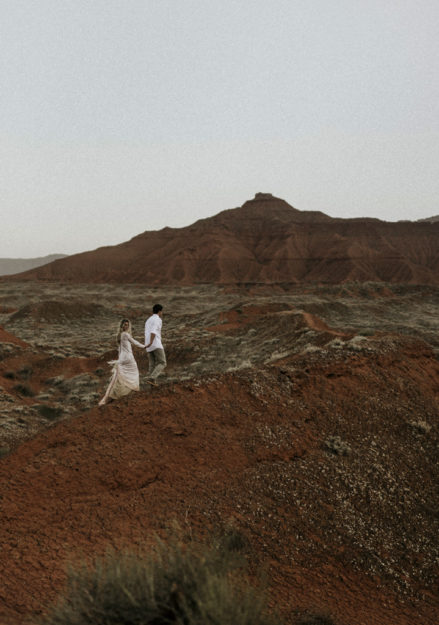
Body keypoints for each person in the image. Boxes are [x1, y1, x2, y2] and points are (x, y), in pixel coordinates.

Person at [98, 318, 145, 406]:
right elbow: (134, 342)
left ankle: (114, 395)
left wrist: (120, 360)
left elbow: (121, 349)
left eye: (127, 324)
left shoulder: (120, 335)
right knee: (132, 373)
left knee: (120, 376)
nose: (126, 326)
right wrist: (145, 346)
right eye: (124, 324)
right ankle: (129, 390)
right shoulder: (125, 334)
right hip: (127, 358)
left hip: (124, 358)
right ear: (121, 326)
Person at [144, 304, 166, 386]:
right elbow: (153, 331)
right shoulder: (158, 319)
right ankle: (152, 378)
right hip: (155, 343)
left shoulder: (148, 320)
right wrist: (151, 342)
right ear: (160, 311)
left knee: (152, 365)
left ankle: (151, 384)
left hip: (148, 345)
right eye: (162, 311)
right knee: (163, 362)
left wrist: (148, 343)